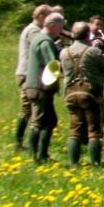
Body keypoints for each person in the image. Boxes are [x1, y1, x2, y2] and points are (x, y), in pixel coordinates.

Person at [58, 21, 104, 166]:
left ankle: (73, 163)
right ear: (88, 35)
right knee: (94, 130)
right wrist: (99, 47)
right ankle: (96, 163)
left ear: (73, 35)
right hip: (89, 93)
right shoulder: (93, 51)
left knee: (74, 130)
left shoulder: (63, 52)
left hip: (70, 94)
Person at [24, 12, 66, 162]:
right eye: (61, 26)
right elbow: (53, 64)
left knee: (49, 121)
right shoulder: (45, 42)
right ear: (52, 25)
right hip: (40, 87)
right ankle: (35, 155)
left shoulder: (42, 39)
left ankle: (41, 154)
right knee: (40, 121)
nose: (62, 29)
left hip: (38, 86)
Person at [14, 4, 50, 151]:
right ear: (40, 16)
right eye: (47, 18)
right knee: (28, 110)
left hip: (27, 73)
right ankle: (20, 143)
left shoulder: (33, 29)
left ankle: (21, 142)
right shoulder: (34, 30)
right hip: (28, 74)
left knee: (27, 110)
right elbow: (41, 48)